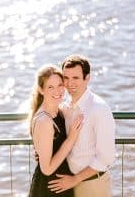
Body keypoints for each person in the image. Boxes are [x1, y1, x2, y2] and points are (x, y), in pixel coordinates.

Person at [47, 54, 116, 197]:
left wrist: (75, 179)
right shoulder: (66, 107)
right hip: (70, 182)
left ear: (87, 78)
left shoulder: (99, 109)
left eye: (76, 78)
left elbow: (106, 158)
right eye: (66, 78)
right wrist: (46, 152)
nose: (70, 83)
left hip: (93, 185)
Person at [28, 64, 83, 197]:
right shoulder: (45, 121)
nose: (57, 91)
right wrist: (71, 139)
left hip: (61, 184)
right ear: (41, 90)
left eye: (60, 85)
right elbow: (46, 169)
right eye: (50, 87)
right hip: (51, 188)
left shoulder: (58, 111)